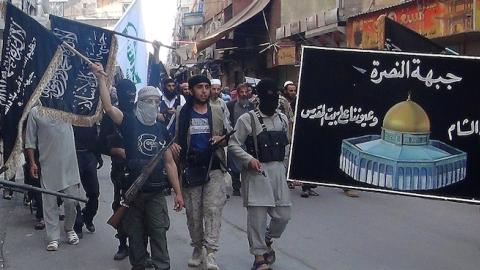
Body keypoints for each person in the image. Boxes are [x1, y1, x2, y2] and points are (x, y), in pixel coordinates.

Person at [93, 63, 184, 270]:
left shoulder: (162, 130)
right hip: (133, 194)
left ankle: (162, 266)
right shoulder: (129, 122)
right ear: (139, 102)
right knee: (136, 235)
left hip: (156, 193)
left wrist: (178, 193)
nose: (152, 104)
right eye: (147, 101)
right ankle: (139, 265)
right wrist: (100, 79)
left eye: (156, 101)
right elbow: (108, 107)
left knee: (159, 232)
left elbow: (169, 163)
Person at [228, 78, 291, 270]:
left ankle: (267, 238)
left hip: (278, 171)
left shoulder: (282, 119)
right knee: (257, 218)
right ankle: (259, 257)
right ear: (259, 98)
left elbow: (287, 144)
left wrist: (287, 166)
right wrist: (248, 159)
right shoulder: (247, 119)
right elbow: (233, 144)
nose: (272, 101)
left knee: (283, 215)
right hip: (257, 173)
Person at [175, 75, 229, 270]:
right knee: (194, 214)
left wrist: (221, 139)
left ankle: (211, 252)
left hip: (214, 167)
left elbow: (229, 136)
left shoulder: (217, 110)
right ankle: (197, 248)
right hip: (191, 169)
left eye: (207, 87)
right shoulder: (183, 112)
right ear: (191, 90)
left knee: (213, 211)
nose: (205, 91)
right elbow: (176, 140)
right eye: (200, 87)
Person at [25, 106, 81, 251]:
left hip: (69, 164)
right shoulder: (35, 112)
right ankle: (53, 237)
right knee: (49, 203)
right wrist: (32, 163)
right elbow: (30, 141)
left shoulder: (67, 108)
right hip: (48, 163)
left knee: (71, 201)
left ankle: (69, 229)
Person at [73, 125, 102, 238]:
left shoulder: (93, 108)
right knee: (73, 193)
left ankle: (88, 217)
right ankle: (77, 223)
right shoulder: (70, 107)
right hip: (73, 154)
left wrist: (98, 155)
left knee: (94, 193)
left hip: (89, 154)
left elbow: (95, 134)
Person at [226, 84, 255, 196]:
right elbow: (227, 120)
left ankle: (249, 186)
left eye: (246, 92)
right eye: (241, 92)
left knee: (249, 162)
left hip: (250, 139)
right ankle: (236, 187)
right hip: (235, 138)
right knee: (235, 165)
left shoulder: (252, 106)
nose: (244, 94)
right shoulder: (230, 105)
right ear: (238, 93)